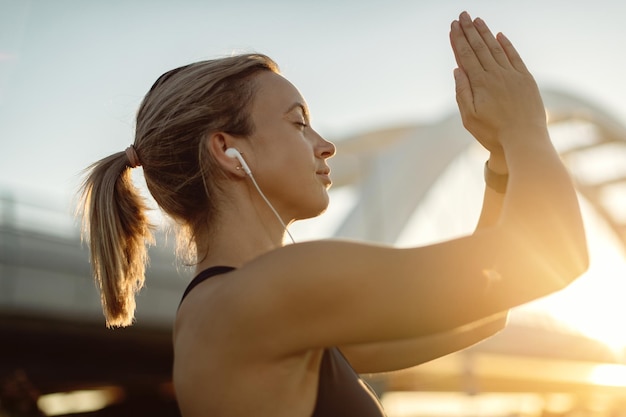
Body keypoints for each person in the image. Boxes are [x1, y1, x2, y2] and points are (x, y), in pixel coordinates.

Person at [78, 11, 588, 417]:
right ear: (229, 151)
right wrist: (526, 127)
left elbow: (484, 308)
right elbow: (554, 257)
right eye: (299, 123)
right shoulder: (266, 296)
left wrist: (501, 159)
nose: (326, 148)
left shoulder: (256, 311)